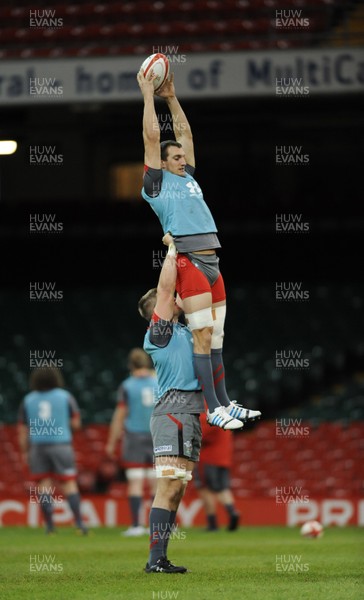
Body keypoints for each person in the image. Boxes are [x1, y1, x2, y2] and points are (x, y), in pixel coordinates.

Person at [137, 68, 261, 430]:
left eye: (180, 156)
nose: (181, 158)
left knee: (217, 336)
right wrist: (148, 94)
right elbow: (151, 135)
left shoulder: (187, 177)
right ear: (161, 163)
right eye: (174, 156)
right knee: (202, 333)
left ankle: (224, 401)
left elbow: (185, 133)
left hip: (212, 260)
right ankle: (212, 408)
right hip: (189, 261)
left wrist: (171, 96)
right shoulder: (156, 185)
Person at [138, 237, 206, 573]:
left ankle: (160, 558)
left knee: (178, 487)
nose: (174, 296)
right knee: (169, 485)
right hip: (174, 412)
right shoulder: (159, 333)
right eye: (168, 297)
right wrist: (172, 251)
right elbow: (165, 291)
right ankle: (154, 561)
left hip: (188, 412)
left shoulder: (181, 331)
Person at [17, 367, 88, 534]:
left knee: (44, 486)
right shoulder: (65, 397)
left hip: (38, 447)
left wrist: (25, 452)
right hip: (61, 445)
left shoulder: (27, 400)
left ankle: (49, 526)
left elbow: (22, 430)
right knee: (69, 483)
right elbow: (77, 424)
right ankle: (79, 524)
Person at [105, 347, 157, 537]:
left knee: (135, 481)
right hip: (156, 436)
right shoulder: (158, 381)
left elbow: (120, 416)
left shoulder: (127, 386)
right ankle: (158, 526)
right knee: (156, 482)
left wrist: (111, 442)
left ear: (130, 365)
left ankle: (136, 526)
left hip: (134, 437)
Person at [194, 412, 240, 532]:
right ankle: (232, 511)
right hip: (224, 458)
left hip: (208, 458)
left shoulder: (206, 414)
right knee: (223, 488)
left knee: (205, 489)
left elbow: (199, 435)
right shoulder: (224, 413)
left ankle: (212, 523)